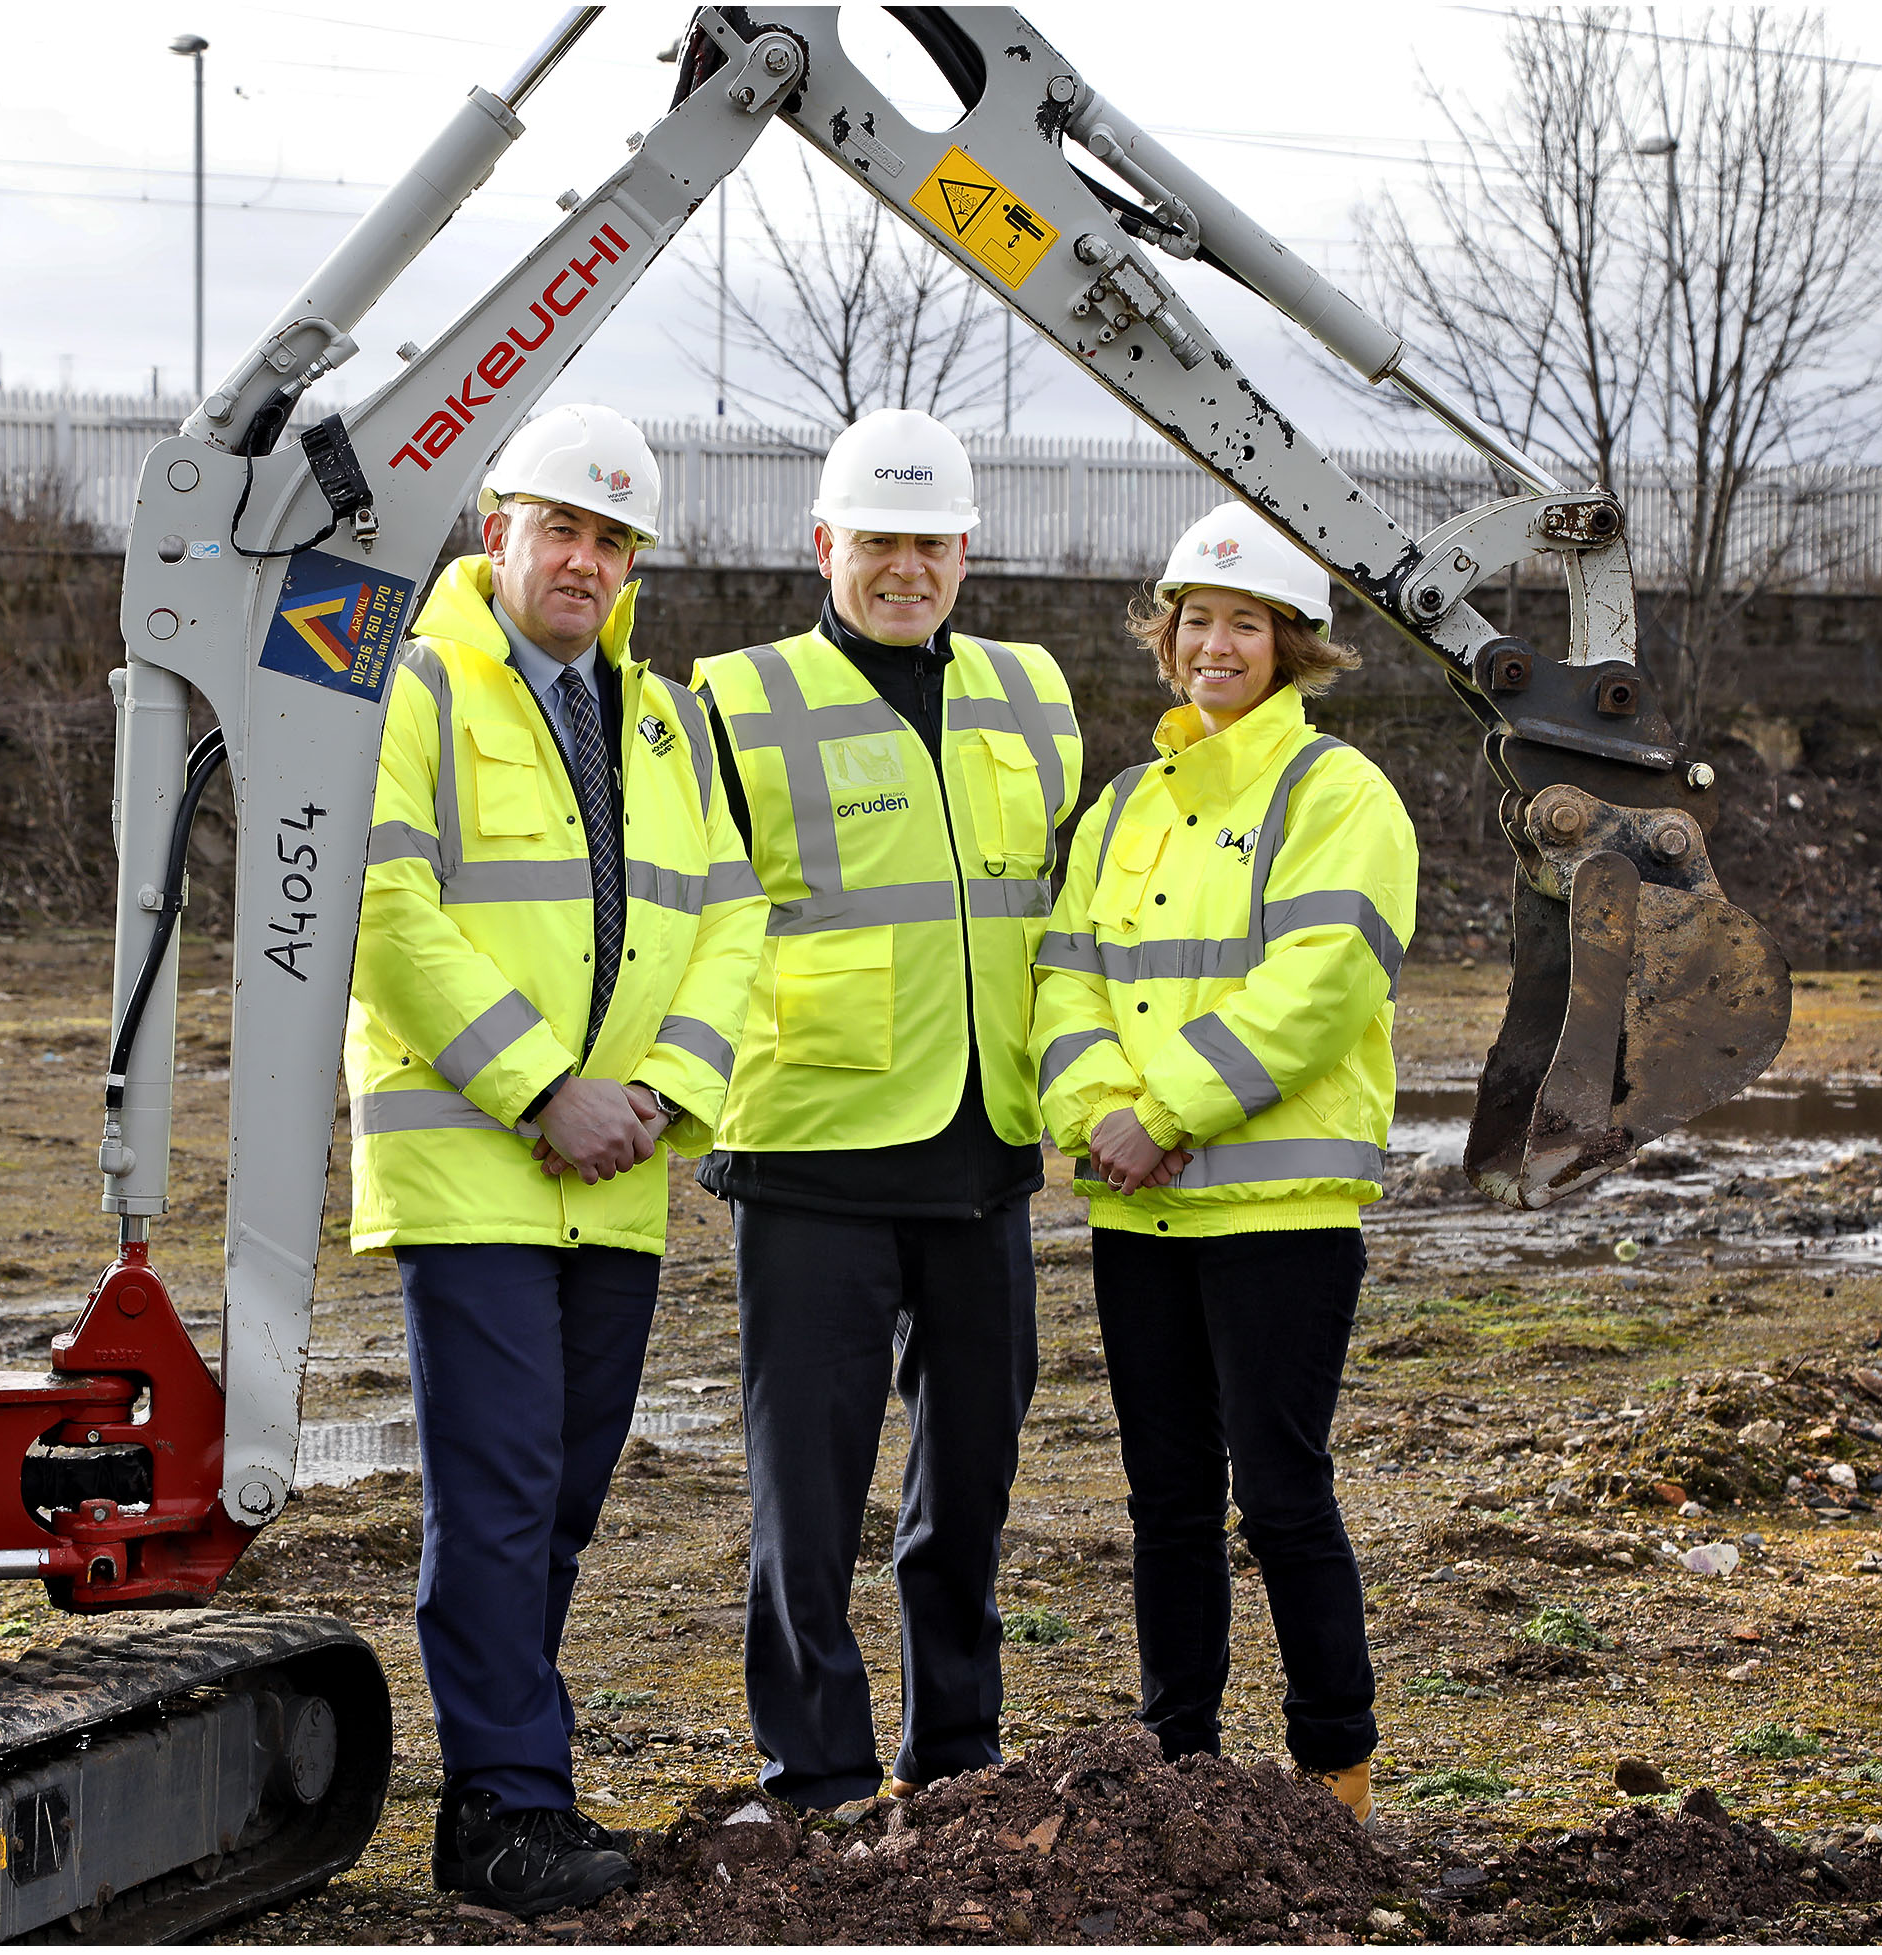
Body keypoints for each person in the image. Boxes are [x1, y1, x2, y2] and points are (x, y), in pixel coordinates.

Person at [347, 403, 764, 1915]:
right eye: (561, 530)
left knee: (568, 1490)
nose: (585, 562)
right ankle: (508, 1807)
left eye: (612, 540)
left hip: (619, 1172)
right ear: (494, 532)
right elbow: (384, 917)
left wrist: (657, 1092)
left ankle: (505, 1786)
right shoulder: (411, 690)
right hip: (479, 1162)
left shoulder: (661, 718)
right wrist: (542, 1091)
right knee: (506, 1483)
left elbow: (733, 919)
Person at [690, 407, 1082, 1810]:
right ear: (822, 546)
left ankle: (959, 1755)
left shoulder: (1034, 694)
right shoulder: (738, 702)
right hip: (811, 1155)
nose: (903, 568)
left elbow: (1063, 915)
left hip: (984, 1152)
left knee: (970, 1479)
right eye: (877, 543)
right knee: (807, 1499)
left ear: (966, 550)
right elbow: (690, 916)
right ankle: (815, 1771)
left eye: (928, 543)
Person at [1028, 503, 1416, 1821]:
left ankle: (1335, 1770)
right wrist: (1095, 1120)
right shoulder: (1126, 805)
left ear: (1291, 644)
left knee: (1284, 1494)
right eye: (1196, 619)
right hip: (1144, 1219)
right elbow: (1064, 981)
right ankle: (1177, 1766)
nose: (1214, 644)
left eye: (1243, 622)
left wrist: (1170, 1112)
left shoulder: (1337, 794)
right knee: (1170, 1505)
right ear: (1167, 635)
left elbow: (1318, 988)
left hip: (1279, 1213)